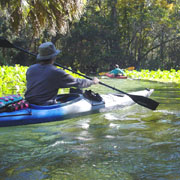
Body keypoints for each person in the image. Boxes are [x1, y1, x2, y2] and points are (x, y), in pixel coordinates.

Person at [25, 42, 99, 105]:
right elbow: (77, 83)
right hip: (45, 105)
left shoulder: (30, 69)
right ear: (54, 57)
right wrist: (92, 81)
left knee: (74, 91)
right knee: (77, 89)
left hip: (30, 103)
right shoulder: (56, 72)